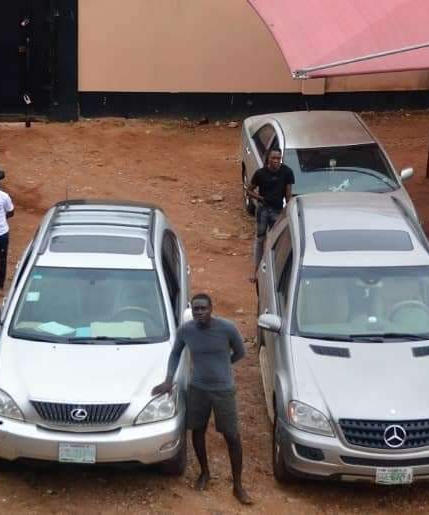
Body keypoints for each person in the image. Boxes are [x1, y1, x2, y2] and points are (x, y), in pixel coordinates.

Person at [152, 294, 252, 505]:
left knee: (232, 435)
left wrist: (224, 366)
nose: (199, 313)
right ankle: (204, 472)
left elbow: (240, 353)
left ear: (211, 308)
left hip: (224, 390)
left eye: (203, 308)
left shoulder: (227, 328)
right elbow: (175, 354)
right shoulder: (186, 331)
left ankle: (238, 485)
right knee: (197, 431)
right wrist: (168, 380)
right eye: (196, 309)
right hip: (198, 389)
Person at [246, 149, 293, 282]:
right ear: (268, 159)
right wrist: (260, 198)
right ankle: (256, 272)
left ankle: (273, 274)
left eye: (278, 158)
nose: (276, 161)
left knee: (275, 242)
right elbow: (249, 190)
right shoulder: (260, 174)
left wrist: (288, 210)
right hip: (263, 210)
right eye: (273, 158)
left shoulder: (287, 172)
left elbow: (288, 194)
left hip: (277, 211)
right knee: (260, 240)